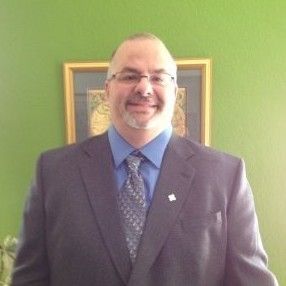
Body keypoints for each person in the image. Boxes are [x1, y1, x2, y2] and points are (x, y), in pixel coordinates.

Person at [12, 33, 278, 286]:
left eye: (158, 77)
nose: (144, 87)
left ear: (174, 90)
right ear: (107, 89)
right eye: (129, 76)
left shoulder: (225, 175)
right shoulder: (53, 173)